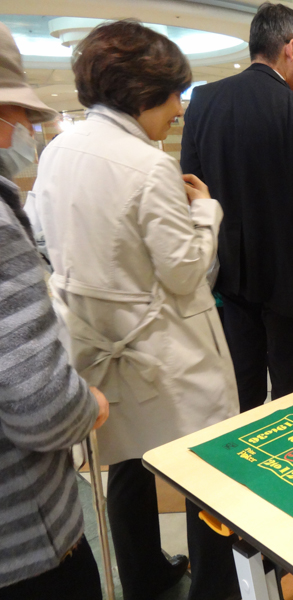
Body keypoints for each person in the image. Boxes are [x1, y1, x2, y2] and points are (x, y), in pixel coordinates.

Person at [34, 21, 240, 600]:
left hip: (98, 345)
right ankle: (214, 589)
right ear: (145, 92)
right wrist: (206, 212)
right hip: (166, 353)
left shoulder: (57, 152)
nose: (178, 108)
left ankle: (145, 576)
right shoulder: (146, 164)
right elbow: (183, 272)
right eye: (175, 94)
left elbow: (52, 244)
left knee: (124, 464)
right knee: (202, 471)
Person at [182, 2, 293, 411]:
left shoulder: (203, 102)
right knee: (291, 384)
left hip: (230, 275)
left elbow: (191, 185)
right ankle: (290, 461)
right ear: (291, 47)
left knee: (242, 381)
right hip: (290, 278)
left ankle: (242, 465)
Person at [0, 23, 110, 600]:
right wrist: (85, 404)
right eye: (12, 111)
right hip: (24, 548)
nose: (18, 128)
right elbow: (38, 403)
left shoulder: (54, 163)